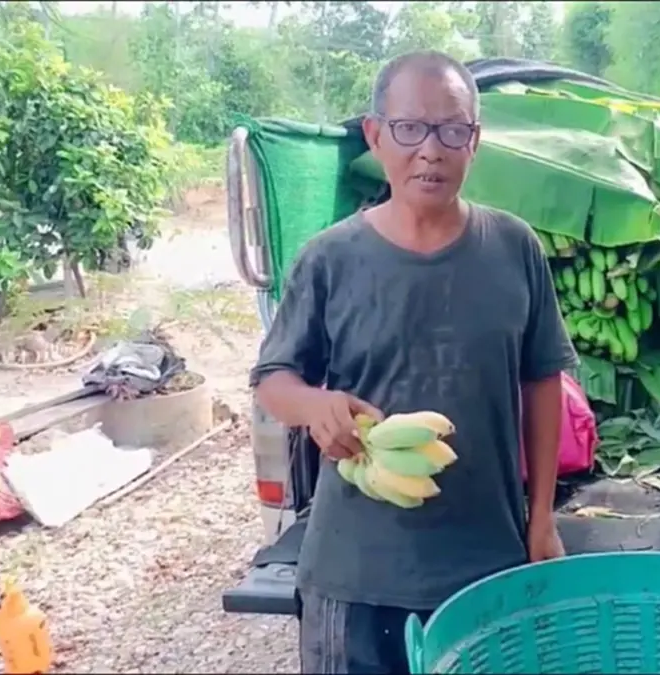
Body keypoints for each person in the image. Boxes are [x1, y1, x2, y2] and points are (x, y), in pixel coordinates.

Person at [249, 50, 578, 675]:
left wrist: (541, 519)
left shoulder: (514, 247)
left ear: (474, 141)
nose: (430, 150)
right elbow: (273, 379)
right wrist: (316, 405)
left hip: (487, 565)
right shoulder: (330, 258)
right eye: (409, 128)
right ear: (376, 136)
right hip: (355, 577)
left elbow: (542, 380)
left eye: (452, 130)